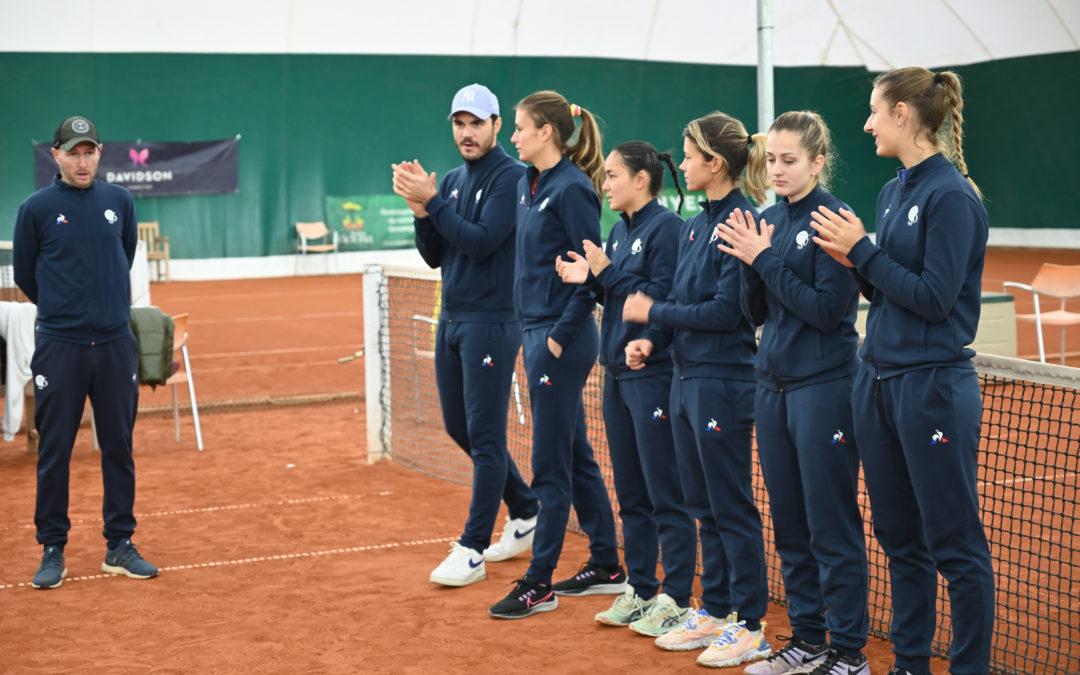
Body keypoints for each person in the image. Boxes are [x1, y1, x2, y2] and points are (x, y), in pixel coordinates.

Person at [810, 68, 994, 675]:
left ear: (903, 116)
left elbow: (936, 297)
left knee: (955, 547)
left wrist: (864, 251)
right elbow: (888, 290)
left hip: (932, 389)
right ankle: (909, 664)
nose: (865, 124)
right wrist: (854, 259)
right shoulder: (893, 192)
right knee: (899, 538)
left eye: (873, 111)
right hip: (879, 382)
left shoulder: (952, 196)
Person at [715, 111, 869, 675]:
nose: (776, 170)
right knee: (790, 523)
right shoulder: (765, 218)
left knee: (830, 523)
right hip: (772, 389)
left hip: (824, 389)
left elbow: (828, 312)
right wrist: (750, 268)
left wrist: (765, 260)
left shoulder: (835, 220)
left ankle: (849, 652)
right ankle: (806, 640)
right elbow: (754, 312)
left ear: (817, 162)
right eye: (772, 160)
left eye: (790, 160)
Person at [622, 111, 771, 668]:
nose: (680, 164)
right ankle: (715, 608)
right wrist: (652, 340)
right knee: (702, 505)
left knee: (731, 506)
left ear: (716, 163)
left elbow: (727, 311)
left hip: (723, 382)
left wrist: (653, 311)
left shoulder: (741, 221)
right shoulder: (695, 223)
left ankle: (750, 623)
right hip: (686, 377)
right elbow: (684, 297)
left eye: (688, 156)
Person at [391, 83, 541, 587]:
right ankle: (524, 508)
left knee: (485, 435)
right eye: (459, 123)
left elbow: (480, 243)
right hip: (453, 318)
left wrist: (432, 202)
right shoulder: (453, 179)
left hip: (494, 323)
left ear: (497, 125)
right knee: (460, 427)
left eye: (477, 123)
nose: (467, 132)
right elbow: (438, 254)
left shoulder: (514, 178)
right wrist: (421, 211)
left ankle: (472, 548)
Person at [487, 90, 624, 620]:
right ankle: (609, 565)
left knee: (549, 464)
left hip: (560, 341)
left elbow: (590, 273)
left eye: (519, 127)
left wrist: (558, 338)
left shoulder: (573, 190)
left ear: (546, 131)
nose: (513, 135)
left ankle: (538, 582)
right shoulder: (528, 184)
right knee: (573, 453)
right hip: (536, 333)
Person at [555, 141, 696, 636]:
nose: (605, 183)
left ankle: (677, 595)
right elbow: (615, 292)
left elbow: (656, 298)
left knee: (665, 492)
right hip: (615, 374)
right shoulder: (617, 231)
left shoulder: (669, 230)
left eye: (613, 175)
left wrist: (606, 275)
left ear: (641, 179)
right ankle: (640, 587)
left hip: (653, 375)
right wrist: (587, 280)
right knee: (632, 492)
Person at [14, 115, 158, 589]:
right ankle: (53, 548)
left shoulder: (120, 201)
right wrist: (64, 311)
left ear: (99, 154)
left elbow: (126, 255)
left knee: (118, 446)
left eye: (89, 151)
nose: (82, 160)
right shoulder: (35, 208)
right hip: (61, 346)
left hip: (116, 345)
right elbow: (26, 275)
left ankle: (120, 544)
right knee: (55, 449)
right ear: (54, 155)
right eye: (72, 152)